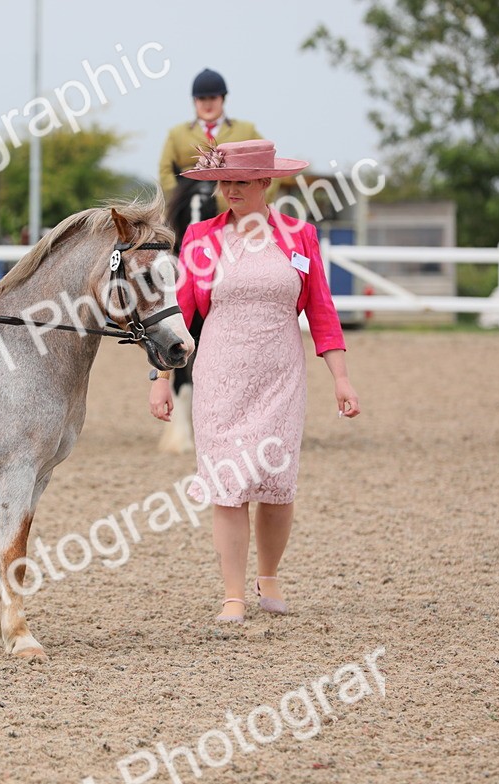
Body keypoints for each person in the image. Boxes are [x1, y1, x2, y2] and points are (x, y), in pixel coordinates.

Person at [149, 139, 361, 623]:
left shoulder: (300, 236)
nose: (231, 190)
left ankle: (270, 575)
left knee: (275, 484)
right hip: (220, 376)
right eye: (225, 181)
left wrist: (341, 378)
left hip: (281, 377)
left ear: (266, 183)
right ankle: (233, 594)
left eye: (242, 181)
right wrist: (160, 377)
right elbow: (179, 313)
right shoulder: (202, 237)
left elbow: (322, 310)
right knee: (228, 485)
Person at [157, 68, 266, 453]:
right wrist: (183, 201)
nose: (207, 104)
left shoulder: (246, 129)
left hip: (232, 217)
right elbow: (165, 175)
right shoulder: (177, 135)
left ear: (223, 100)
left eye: (213, 99)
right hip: (189, 219)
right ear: (195, 103)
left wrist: (227, 201)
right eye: (202, 99)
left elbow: (260, 173)